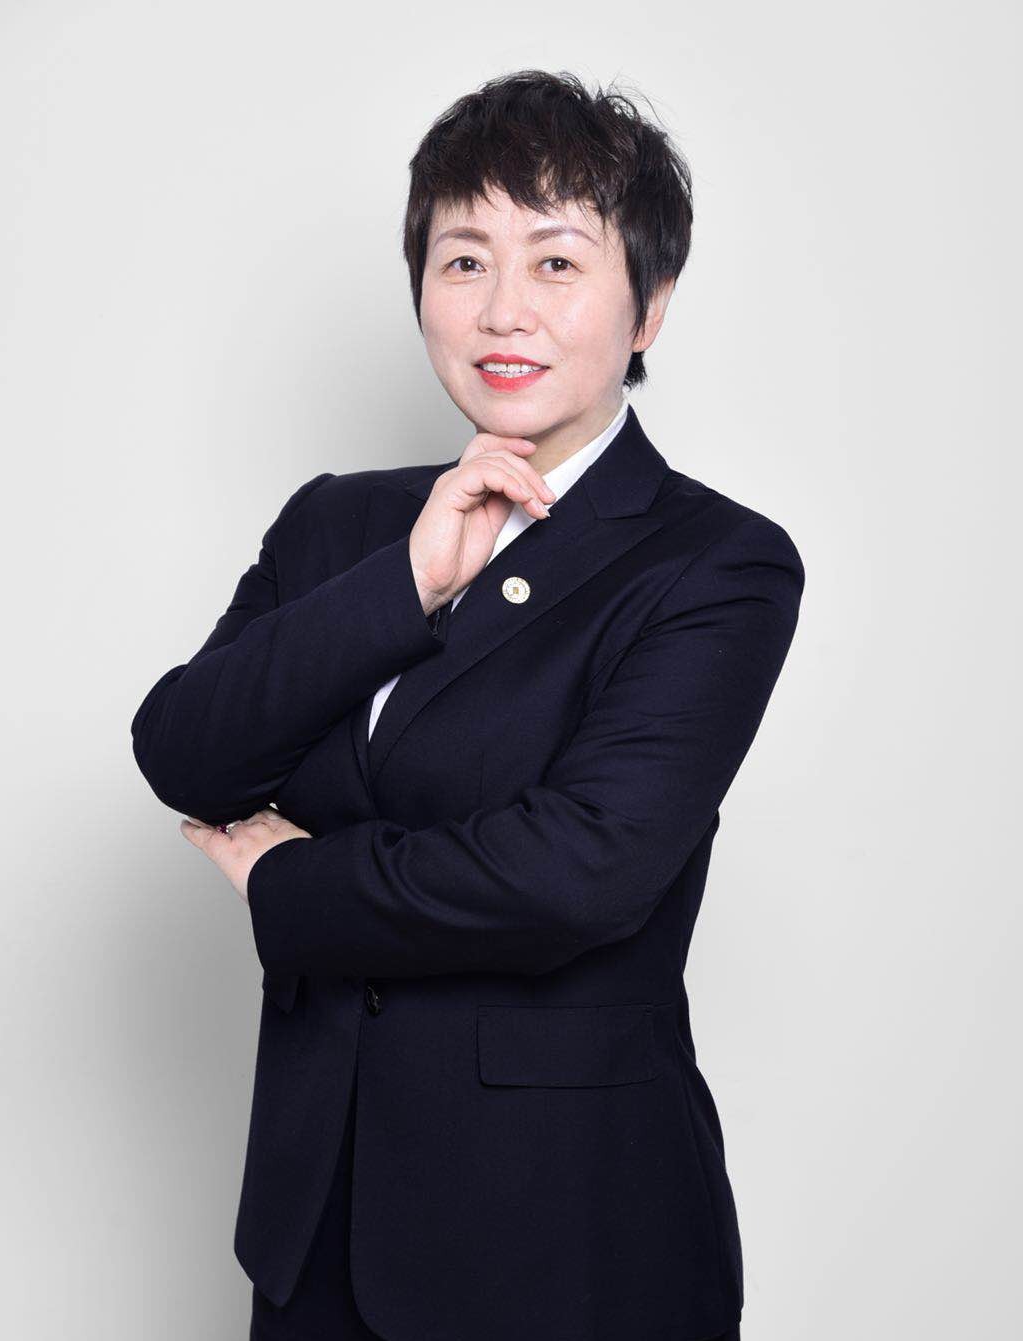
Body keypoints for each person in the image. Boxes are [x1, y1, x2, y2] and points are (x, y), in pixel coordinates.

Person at [131, 68, 804, 1341]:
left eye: (557, 263)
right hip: (317, 1226)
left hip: (566, 1235)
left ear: (650, 305)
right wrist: (405, 583)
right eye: (464, 261)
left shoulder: (715, 564)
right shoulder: (340, 525)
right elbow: (185, 752)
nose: (504, 309)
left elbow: (578, 872)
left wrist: (291, 883)